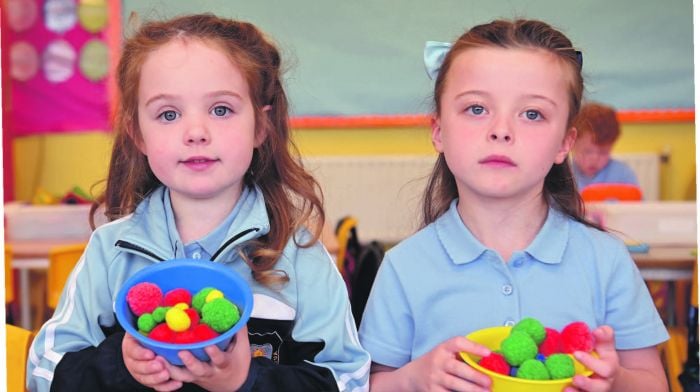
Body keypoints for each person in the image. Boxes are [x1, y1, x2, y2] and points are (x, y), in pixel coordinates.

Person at [27, 14, 369, 392]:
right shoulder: (110, 252)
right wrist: (120, 365)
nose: (195, 132)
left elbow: (349, 380)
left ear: (260, 126)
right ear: (137, 134)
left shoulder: (299, 256)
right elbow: (43, 374)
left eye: (221, 109)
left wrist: (246, 380)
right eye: (168, 114)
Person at [359, 19, 668, 392]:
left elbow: (654, 383)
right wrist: (412, 379)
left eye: (532, 114)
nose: (501, 129)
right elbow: (370, 384)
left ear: (564, 144)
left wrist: (615, 380)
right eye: (476, 109)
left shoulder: (606, 261)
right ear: (438, 131)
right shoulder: (404, 266)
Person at [571, 102, 640, 191]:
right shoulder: (564, 176)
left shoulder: (623, 175)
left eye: (603, 152)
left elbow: (636, 204)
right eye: (587, 151)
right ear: (572, 144)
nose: (594, 159)